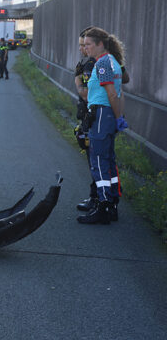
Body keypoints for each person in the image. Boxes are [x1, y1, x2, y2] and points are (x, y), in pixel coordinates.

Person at [77, 27, 127, 224]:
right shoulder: (114, 62)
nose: (85, 48)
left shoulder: (103, 63)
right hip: (107, 115)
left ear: (100, 44)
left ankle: (103, 206)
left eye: (88, 44)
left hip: (101, 114)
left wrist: (115, 117)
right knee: (109, 160)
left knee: (98, 161)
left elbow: (112, 95)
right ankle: (112, 202)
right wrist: (119, 117)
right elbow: (119, 93)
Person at [73, 27, 98, 212]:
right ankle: (105, 199)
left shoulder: (90, 64)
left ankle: (96, 199)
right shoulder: (104, 61)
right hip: (97, 118)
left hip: (94, 119)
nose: (82, 49)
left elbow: (86, 95)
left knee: (95, 162)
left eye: (84, 45)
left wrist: (77, 80)